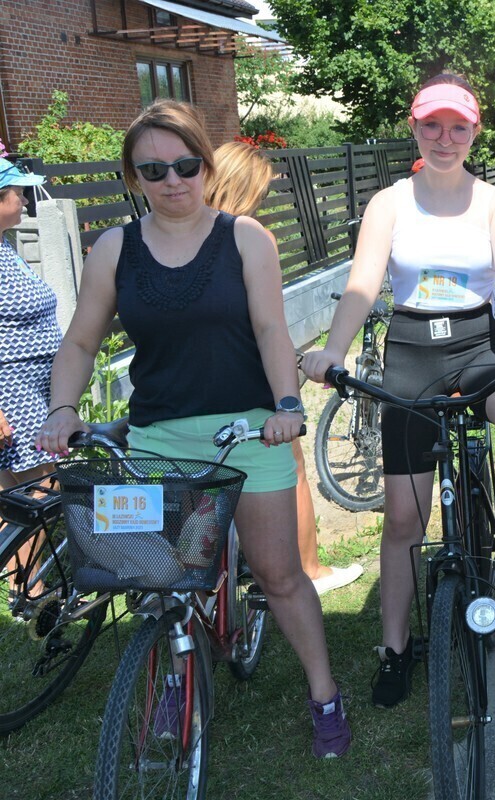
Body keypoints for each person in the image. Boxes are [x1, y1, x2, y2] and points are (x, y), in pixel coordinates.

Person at [35, 100, 351, 758]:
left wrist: (287, 406)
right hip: (158, 441)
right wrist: (62, 410)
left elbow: (270, 329)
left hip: (249, 432)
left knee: (278, 574)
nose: (172, 180)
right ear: (133, 177)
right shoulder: (114, 250)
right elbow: (80, 343)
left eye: (185, 164)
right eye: (153, 170)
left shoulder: (244, 239)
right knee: (160, 579)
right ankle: (177, 680)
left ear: (205, 164)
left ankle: (323, 692)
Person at [301, 74, 495, 710]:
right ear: (415, 129)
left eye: (458, 126)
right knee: (403, 518)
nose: (445, 138)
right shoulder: (391, 202)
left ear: (474, 131)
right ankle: (395, 647)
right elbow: (364, 284)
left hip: (477, 343)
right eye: (433, 125)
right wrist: (335, 351)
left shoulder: (494, 201)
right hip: (411, 349)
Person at [205, 140, 364, 596]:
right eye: (262, 191)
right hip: (249, 371)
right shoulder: (249, 234)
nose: (265, 200)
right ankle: (310, 569)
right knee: (288, 468)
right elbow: (268, 323)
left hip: (195, 380)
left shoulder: (184, 234)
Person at [0, 158, 58, 489]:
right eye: (19, 193)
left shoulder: (5, 245)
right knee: (40, 498)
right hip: (14, 398)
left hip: (30, 395)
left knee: (17, 503)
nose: (24, 200)